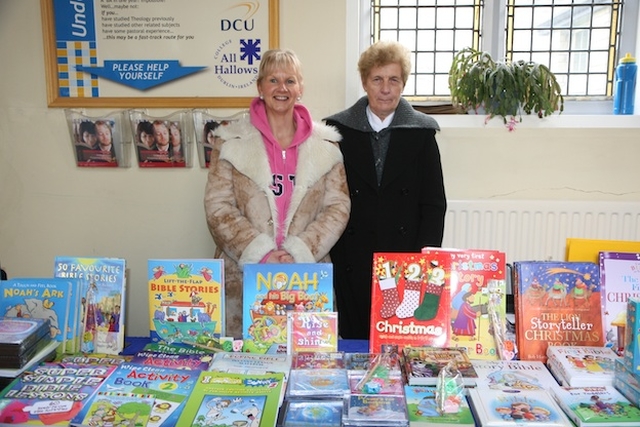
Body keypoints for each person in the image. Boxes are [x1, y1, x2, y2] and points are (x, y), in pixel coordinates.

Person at [204, 48, 351, 338]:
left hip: (306, 276)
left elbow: (338, 207)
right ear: (260, 87)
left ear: (301, 88)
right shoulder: (230, 141)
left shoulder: (327, 147)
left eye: (290, 80)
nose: (282, 88)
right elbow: (217, 206)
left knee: (304, 360)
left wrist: (300, 250)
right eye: (273, 80)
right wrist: (260, 252)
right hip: (244, 273)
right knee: (245, 367)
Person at [324, 40, 447, 339]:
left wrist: (423, 258)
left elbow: (433, 204)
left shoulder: (422, 132)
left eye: (394, 80)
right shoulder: (337, 130)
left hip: (404, 255)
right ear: (365, 82)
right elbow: (325, 197)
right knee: (354, 339)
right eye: (377, 79)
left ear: (403, 83)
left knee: (398, 336)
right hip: (351, 254)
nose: (385, 88)